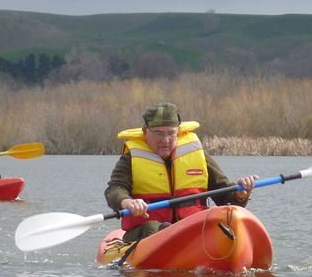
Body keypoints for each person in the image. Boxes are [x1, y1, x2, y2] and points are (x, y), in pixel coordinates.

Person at [104, 102, 258, 242]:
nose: (165, 140)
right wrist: (127, 202)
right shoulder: (130, 159)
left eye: (171, 133)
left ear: (178, 132)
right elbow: (114, 190)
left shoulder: (197, 155)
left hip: (192, 229)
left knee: (220, 223)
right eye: (158, 133)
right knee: (152, 228)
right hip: (147, 233)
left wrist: (241, 194)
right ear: (145, 132)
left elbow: (225, 197)